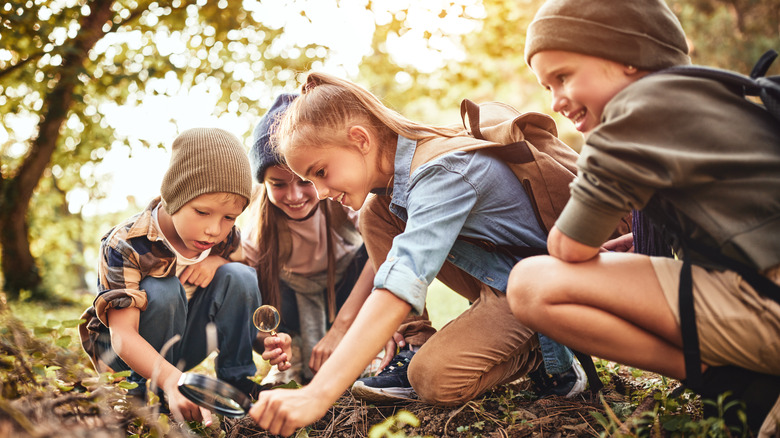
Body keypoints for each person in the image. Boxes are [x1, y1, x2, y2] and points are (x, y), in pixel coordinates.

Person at [247, 72, 594, 436]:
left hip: (546, 289)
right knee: (377, 213)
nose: (317, 192)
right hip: (505, 279)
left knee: (433, 378)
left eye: (320, 172)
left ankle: (551, 349)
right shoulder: (389, 194)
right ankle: (416, 343)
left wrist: (316, 394)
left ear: (360, 139)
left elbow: (402, 279)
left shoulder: (441, 172)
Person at [506, 1, 780, 436]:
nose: (556, 101)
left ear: (628, 58)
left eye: (563, 77)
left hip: (768, 312)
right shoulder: (707, 95)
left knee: (532, 284)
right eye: (546, 86)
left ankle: (735, 384)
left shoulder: (633, 112)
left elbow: (568, 246)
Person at [78, 128, 264, 425]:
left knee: (240, 275)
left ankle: (238, 383)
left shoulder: (221, 239)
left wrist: (216, 261)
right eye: (202, 212)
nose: (215, 229)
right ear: (173, 198)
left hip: (178, 349)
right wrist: (172, 380)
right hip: (125, 356)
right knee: (163, 289)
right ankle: (134, 401)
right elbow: (123, 335)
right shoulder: (126, 244)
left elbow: (247, 263)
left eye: (229, 217)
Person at [243, 93, 375, 384]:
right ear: (264, 184)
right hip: (292, 304)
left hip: (344, 297)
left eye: (305, 181)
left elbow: (388, 252)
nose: (294, 196)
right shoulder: (256, 232)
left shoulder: (342, 200)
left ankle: (365, 348)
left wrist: (341, 327)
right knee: (244, 276)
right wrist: (269, 339)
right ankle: (293, 357)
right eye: (278, 184)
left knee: (375, 248)